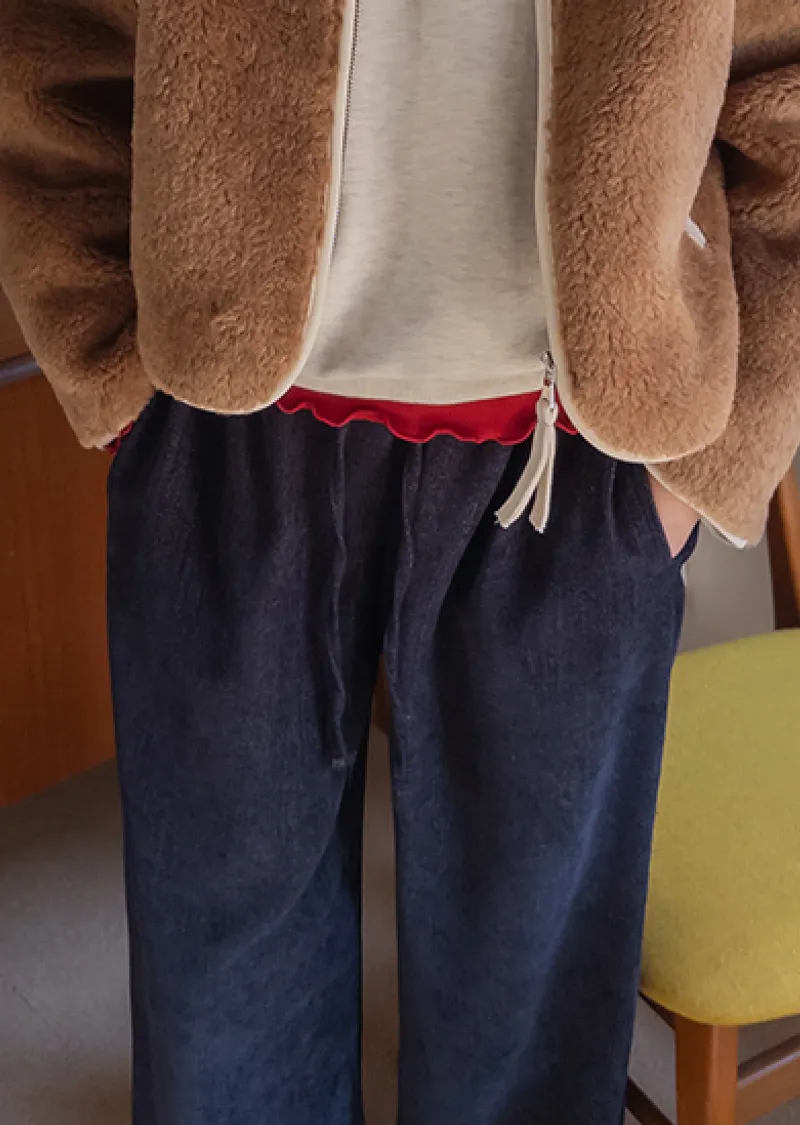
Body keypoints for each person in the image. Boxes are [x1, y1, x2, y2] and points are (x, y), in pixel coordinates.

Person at [1, 1, 798, 1122]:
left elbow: (782, 87)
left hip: (575, 463)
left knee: (530, 983)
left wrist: (712, 457)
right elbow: (50, 40)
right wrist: (105, 356)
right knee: (220, 965)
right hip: (223, 433)